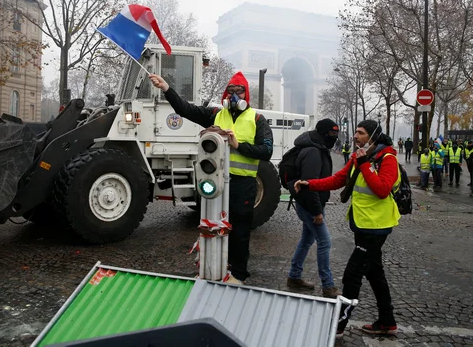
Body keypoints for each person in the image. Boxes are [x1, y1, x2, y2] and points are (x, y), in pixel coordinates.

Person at [149, 71, 273, 284]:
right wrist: (166, 89)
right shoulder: (217, 113)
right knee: (212, 224)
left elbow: (266, 152)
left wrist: (238, 145)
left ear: (246, 95)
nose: (235, 96)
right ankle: (215, 266)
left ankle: (239, 274)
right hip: (216, 181)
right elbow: (185, 110)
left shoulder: (257, 119)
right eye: (231, 91)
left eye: (239, 91)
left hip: (243, 184)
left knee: (239, 232)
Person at [294, 120, 400, 339]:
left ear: (373, 136)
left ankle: (338, 326)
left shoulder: (388, 159)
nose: (355, 136)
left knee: (352, 275)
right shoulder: (358, 156)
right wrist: (309, 184)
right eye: (356, 132)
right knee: (374, 273)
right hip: (362, 224)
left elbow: (381, 190)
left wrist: (364, 164)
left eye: (360, 133)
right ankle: (387, 322)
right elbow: (337, 180)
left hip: (377, 227)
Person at [286, 119, 340, 299]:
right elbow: (309, 185)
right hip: (310, 205)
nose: (335, 137)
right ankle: (328, 285)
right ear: (323, 133)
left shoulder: (317, 147)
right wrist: (317, 212)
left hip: (309, 203)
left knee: (307, 240)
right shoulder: (313, 151)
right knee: (324, 242)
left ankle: (294, 276)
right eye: (332, 134)